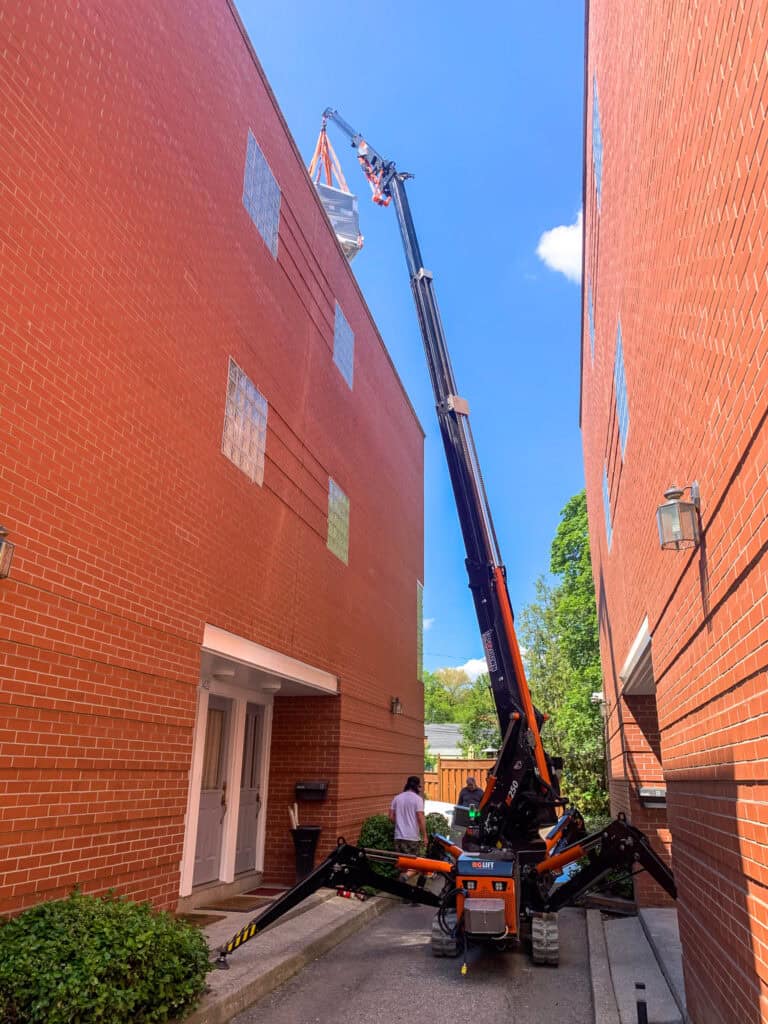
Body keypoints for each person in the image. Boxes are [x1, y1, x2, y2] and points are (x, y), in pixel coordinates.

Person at [389, 776, 427, 882]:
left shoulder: (397, 798)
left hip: (398, 837)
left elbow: (391, 817)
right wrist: (425, 836)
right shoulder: (418, 799)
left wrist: (401, 822)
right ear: (416, 786)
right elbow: (420, 817)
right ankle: (406, 878)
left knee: (403, 865)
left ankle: (403, 887)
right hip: (412, 838)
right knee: (416, 864)